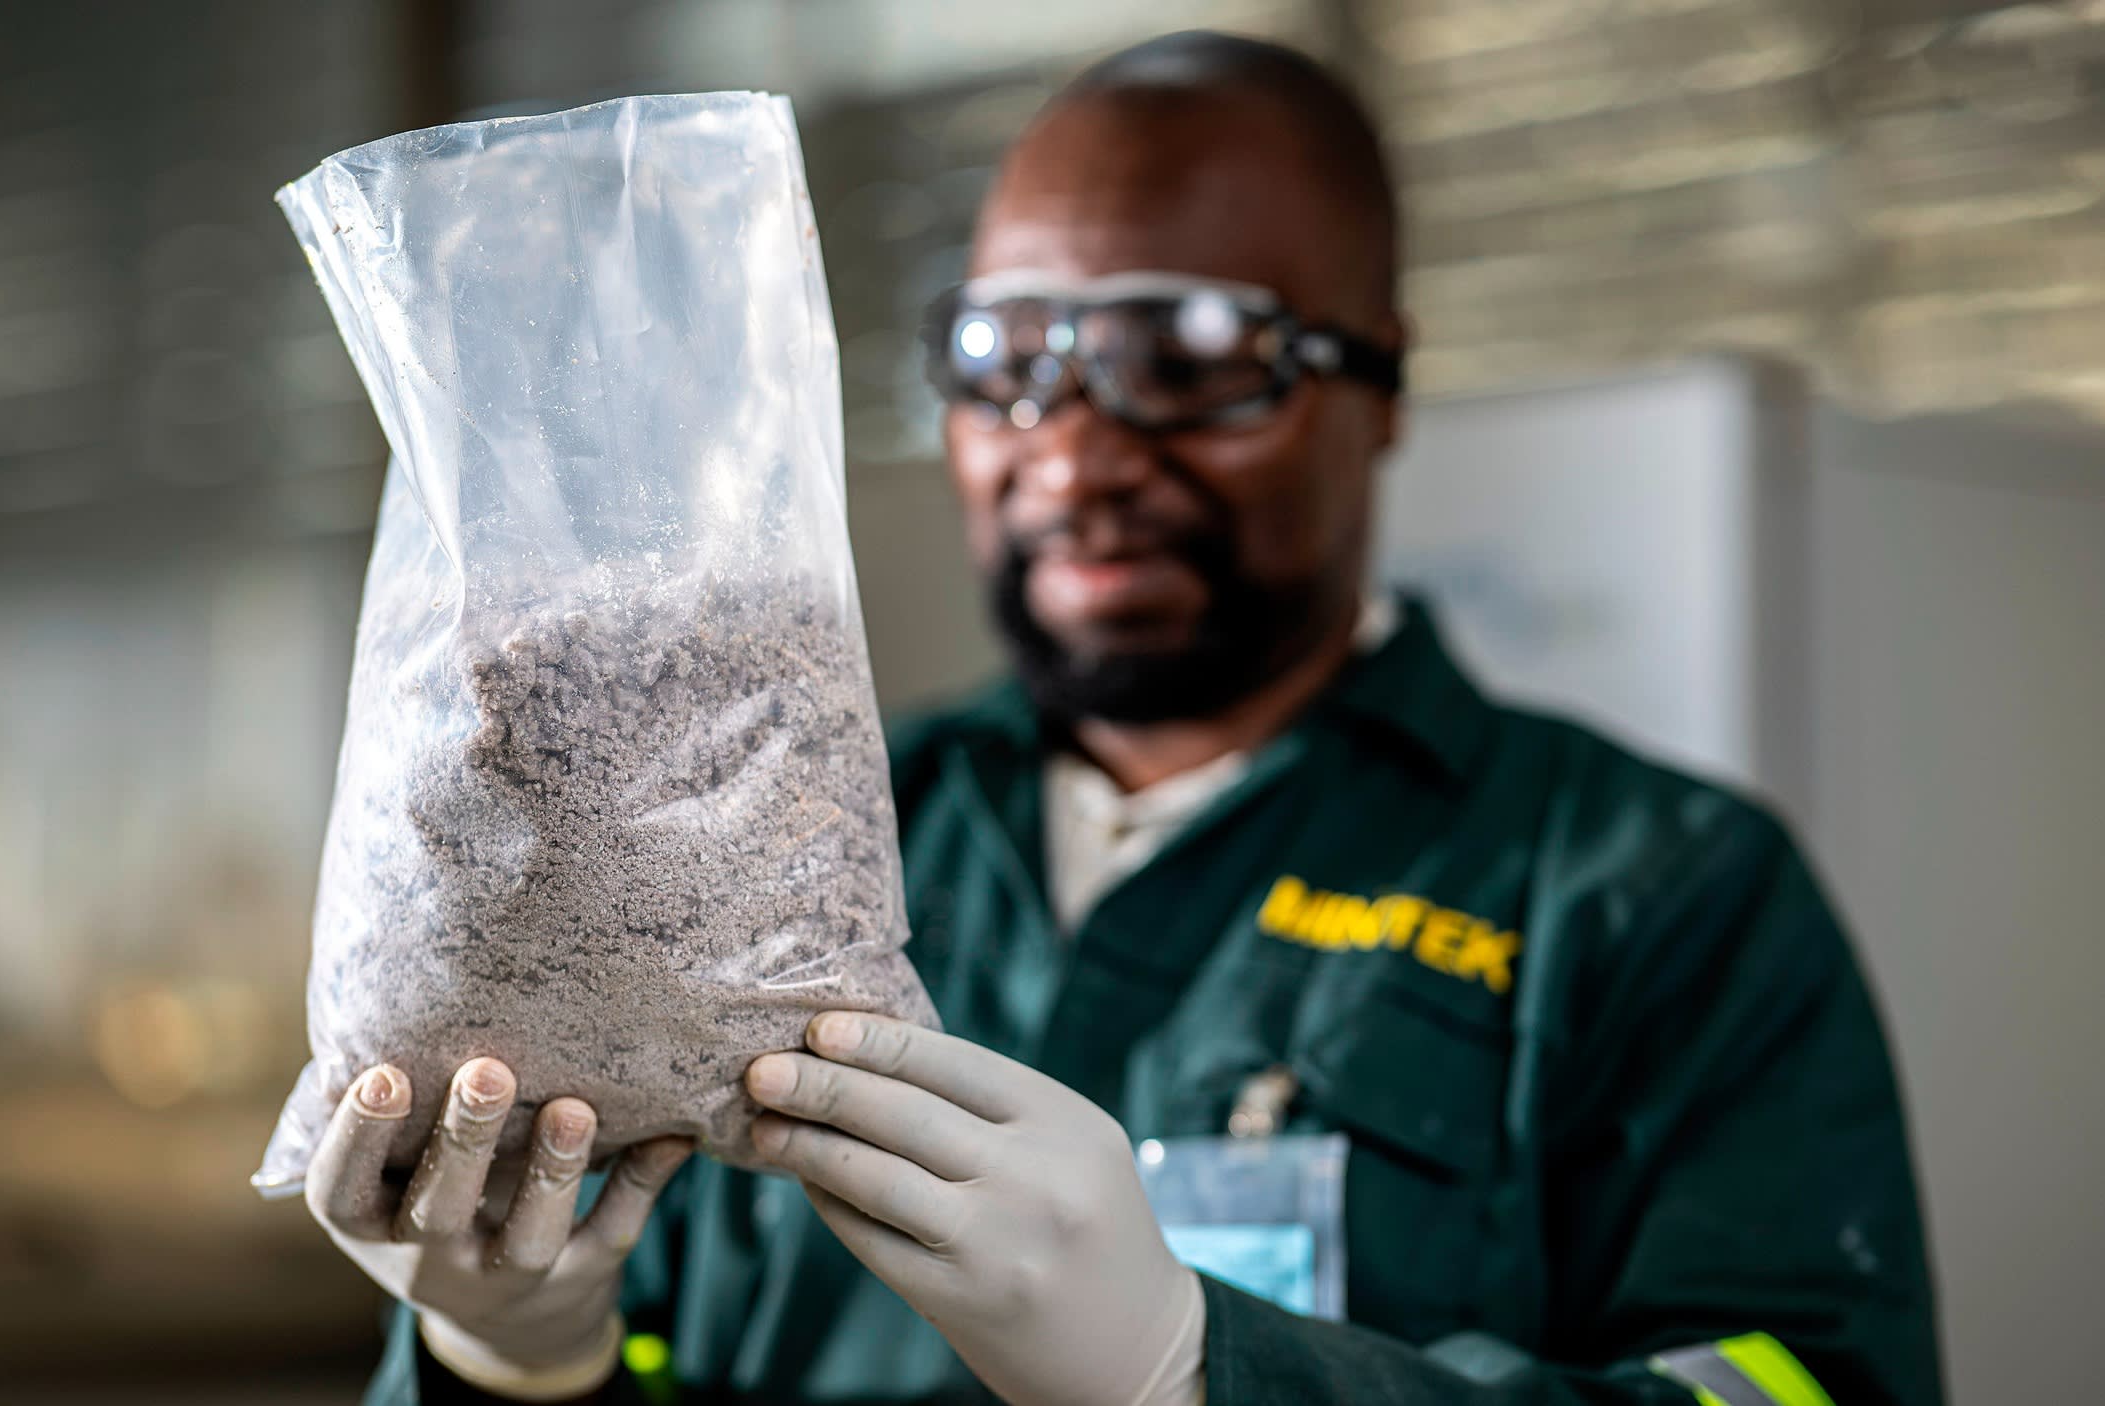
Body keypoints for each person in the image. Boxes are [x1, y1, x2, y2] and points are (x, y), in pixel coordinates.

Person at [313, 31, 1942, 1406]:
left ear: (1377, 384)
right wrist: (504, 1354)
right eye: (1006, 356)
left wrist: (1194, 1367)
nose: (1075, 452)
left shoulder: (1652, 892)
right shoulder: (757, 858)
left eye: (1190, 352)